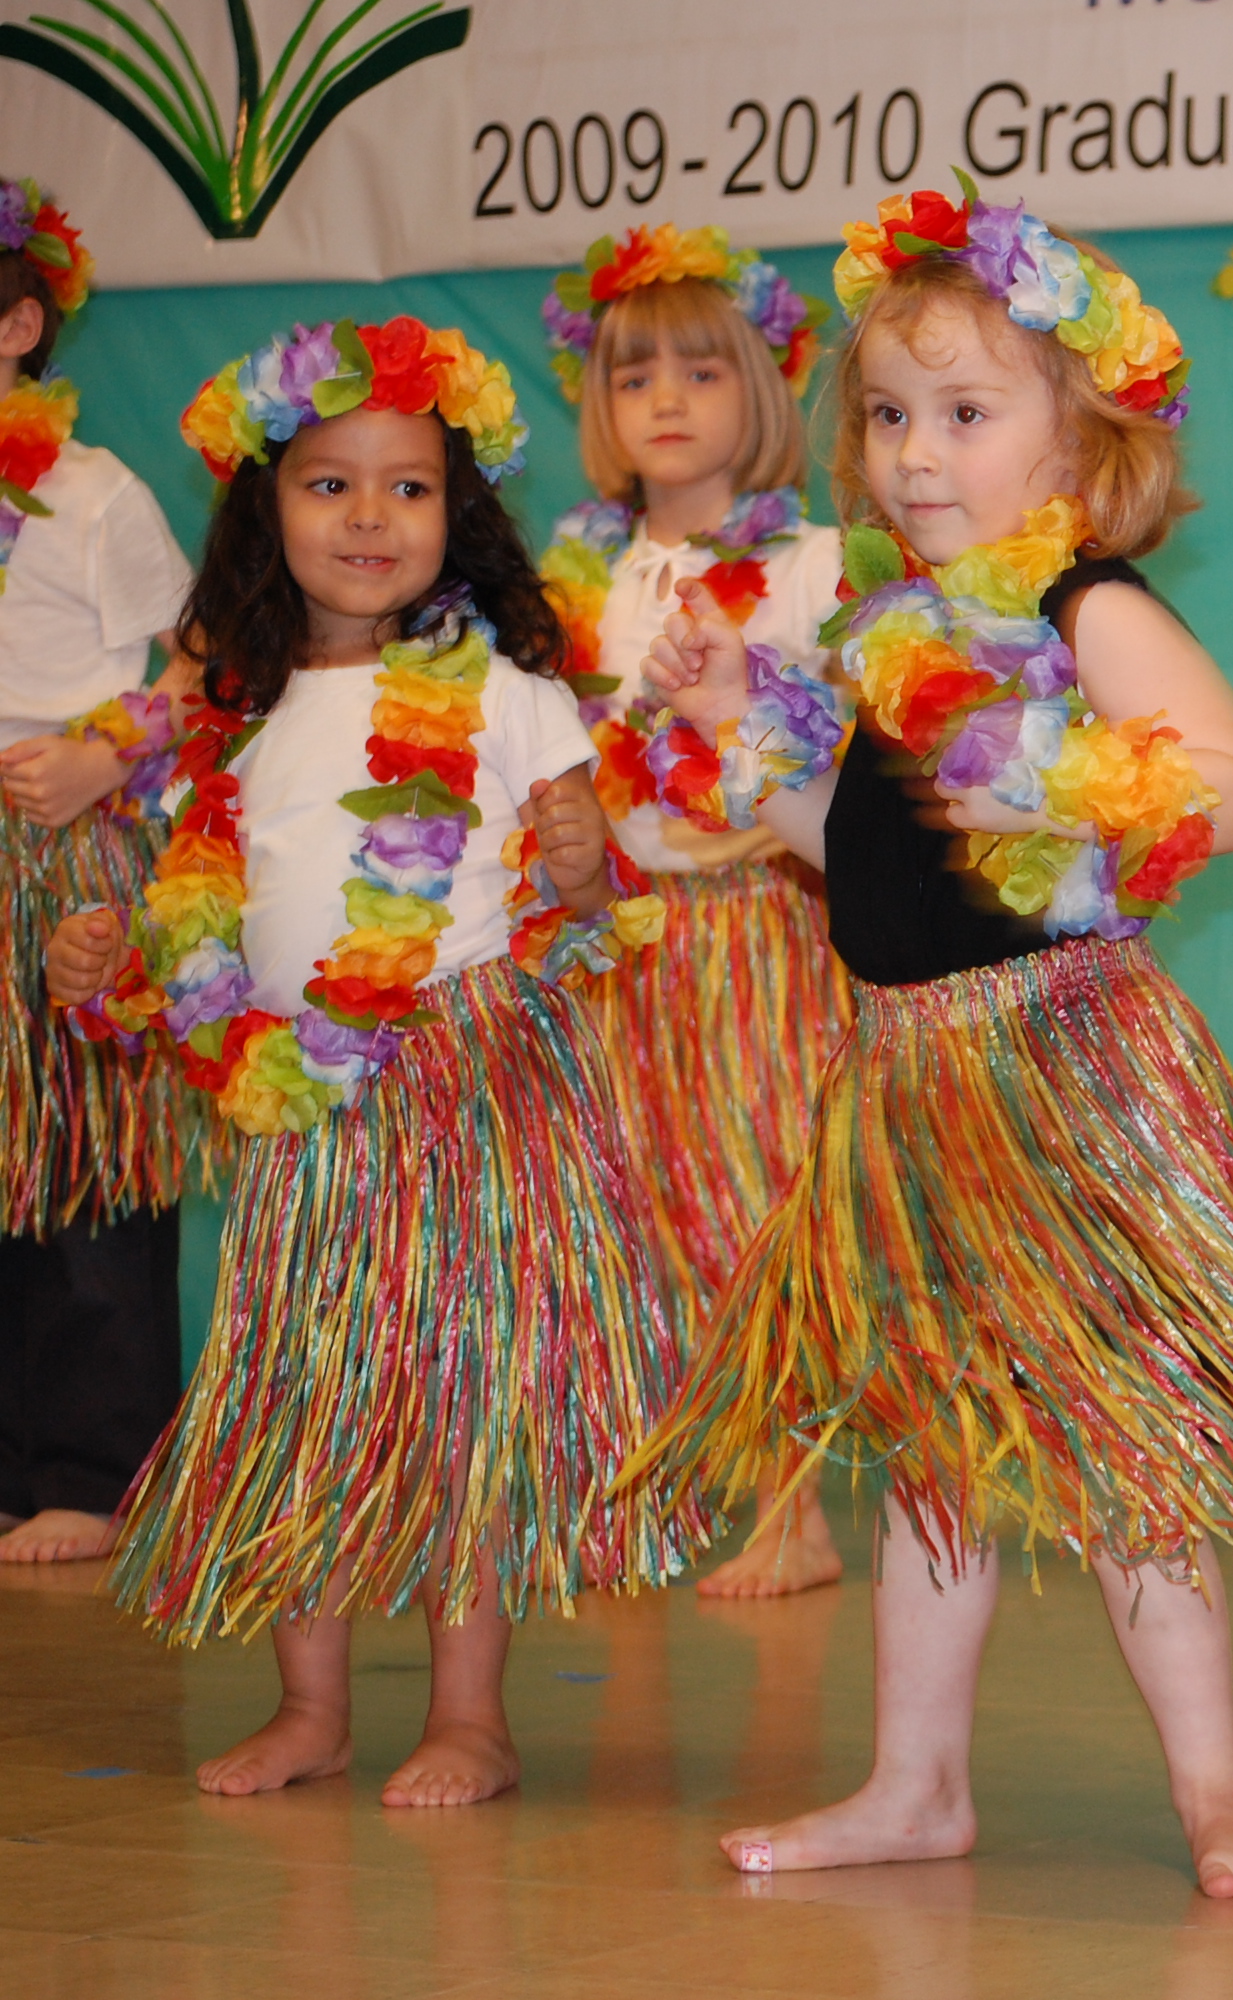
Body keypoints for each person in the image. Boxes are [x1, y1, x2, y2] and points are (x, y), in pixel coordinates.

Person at [620, 181, 1233, 1892]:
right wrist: (733, 726)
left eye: (965, 414)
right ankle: (914, 1786)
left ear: (1076, 442)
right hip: (909, 1080)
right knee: (935, 1455)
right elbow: (850, 851)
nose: (916, 454)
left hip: (1063, 1071)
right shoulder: (889, 634)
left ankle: (1217, 1787)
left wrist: (1061, 794)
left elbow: (1231, 793)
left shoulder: (1091, 609)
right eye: (888, 416)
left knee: (1124, 1449)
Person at [45, 314, 704, 1807]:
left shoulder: (506, 693)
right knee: (304, 1387)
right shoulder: (230, 714)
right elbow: (199, 913)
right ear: (265, 508)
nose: (368, 517)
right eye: (329, 484)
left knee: (454, 1391)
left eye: (408, 488)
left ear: (456, 514)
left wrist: (584, 868)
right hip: (300, 1104)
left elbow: (589, 916)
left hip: (460, 1081)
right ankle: (312, 1709)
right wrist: (110, 965)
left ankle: (471, 1717)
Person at [537, 223, 850, 1598]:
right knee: (634, 1215)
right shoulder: (571, 582)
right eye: (634, 376)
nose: (665, 399)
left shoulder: (812, 564)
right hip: (618, 938)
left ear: (764, 388)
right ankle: (656, 1486)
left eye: (701, 371)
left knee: (755, 1206)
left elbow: (849, 741)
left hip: (757, 924)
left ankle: (795, 1505)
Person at [0, 177, 208, 1566]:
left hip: (70, 849)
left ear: (18, 327)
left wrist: (99, 753)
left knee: (83, 1159)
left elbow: (207, 660)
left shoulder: (89, 492)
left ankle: (92, 1468)